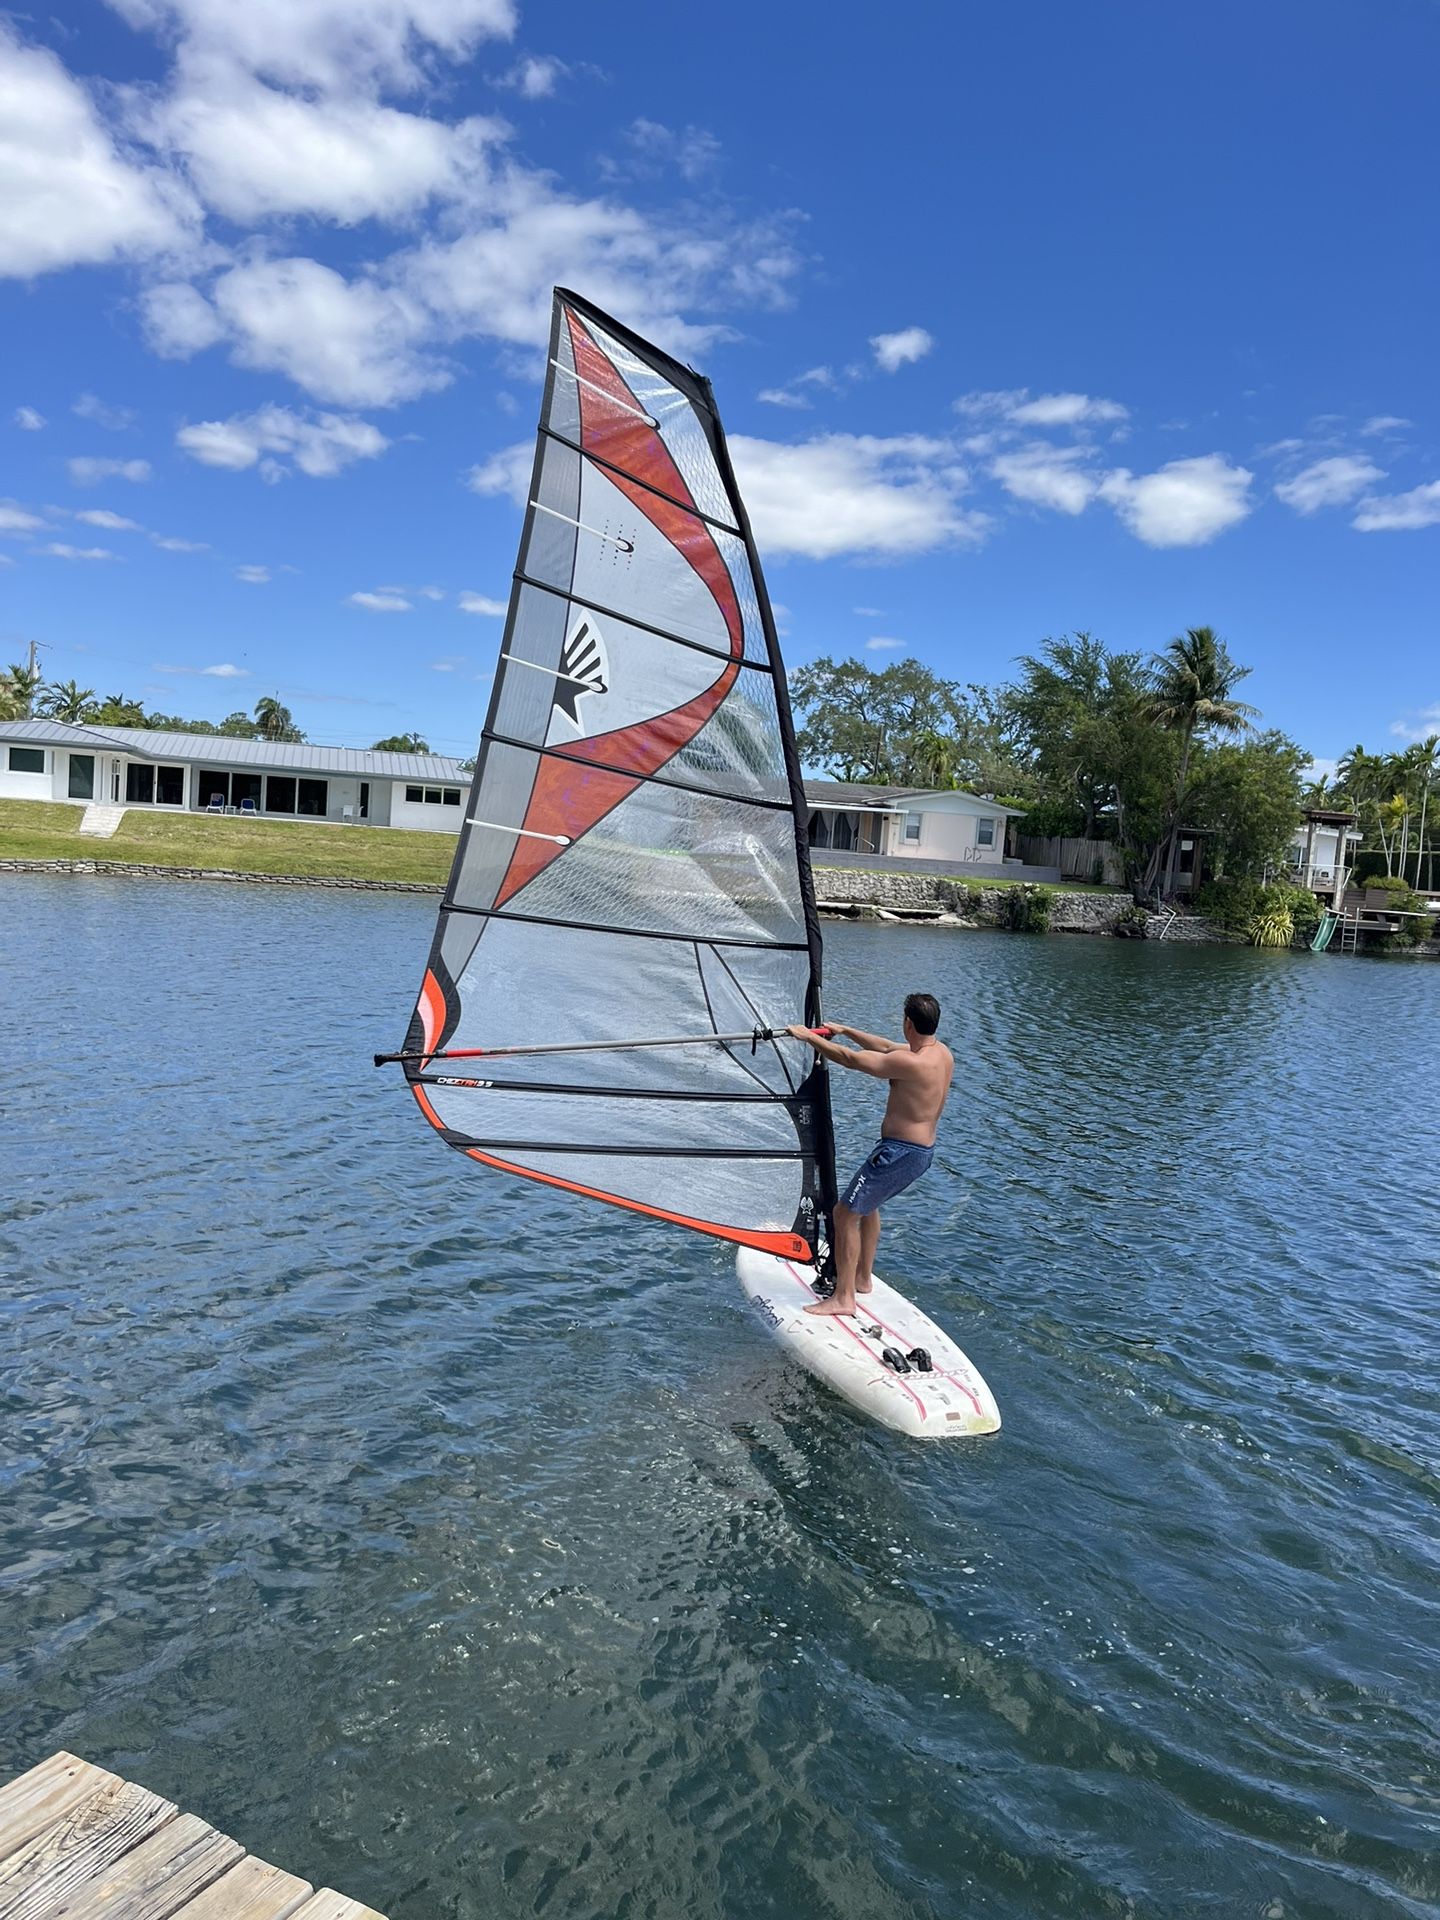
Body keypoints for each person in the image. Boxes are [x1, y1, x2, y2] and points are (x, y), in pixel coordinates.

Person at [787, 993, 953, 1318]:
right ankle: (861, 1278)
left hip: (899, 1153)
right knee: (867, 1205)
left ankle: (843, 1297)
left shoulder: (911, 1062)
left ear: (908, 1022)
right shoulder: (939, 1053)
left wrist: (807, 1038)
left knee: (844, 1214)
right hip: (917, 1152)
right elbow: (887, 1047)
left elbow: (852, 1060)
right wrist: (846, 1029)